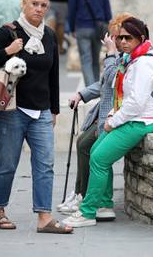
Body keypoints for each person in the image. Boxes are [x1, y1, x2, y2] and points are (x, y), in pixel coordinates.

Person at [0, 0, 73, 234]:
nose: (39, 9)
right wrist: (8, 51)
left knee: (45, 164)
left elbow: (53, 75)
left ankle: (44, 217)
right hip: (12, 110)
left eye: (44, 5)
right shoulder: (8, 32)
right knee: (8, 163)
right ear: (24, 3)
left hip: (40, 111)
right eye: (34, 4)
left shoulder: (49, 36)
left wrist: (54, 110)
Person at [63, 17, 153, 228]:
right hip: (133, 117)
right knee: (95, 150)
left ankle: (88, 212)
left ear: (141, 38)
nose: (123, 42)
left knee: (99, 158)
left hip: (143, 121)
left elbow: (136, 103)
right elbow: (120, 94)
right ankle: (104, 203)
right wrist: (112, 115)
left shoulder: (145, 63)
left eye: (129, 38)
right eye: (120, 38)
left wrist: (113, 121)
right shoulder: (134, 59)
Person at [59, 13, 134, 219]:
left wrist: (110, 53)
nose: (115, 40)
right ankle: (82, 194)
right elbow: (104, 84)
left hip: (117, 116)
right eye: (114, 37)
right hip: (107, 114)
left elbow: (110, 78)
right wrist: (82, 94)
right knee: (83, 143)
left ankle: (97, 200)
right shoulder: (120, 55)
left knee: (94, 150)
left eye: (119, 37)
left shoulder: (126, 57)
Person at [68, 0, 112, 86]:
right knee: (96, 60)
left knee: (86, 60)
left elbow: (71, 10)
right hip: (98, 29)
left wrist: (71, 28)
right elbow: (108, 13)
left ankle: (90, 90)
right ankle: (96, 88)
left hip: (82, 28)